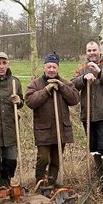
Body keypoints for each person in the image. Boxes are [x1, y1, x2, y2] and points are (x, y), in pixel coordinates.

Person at [71, 41, 103, 196]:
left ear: (99, 50)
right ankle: (99, 177)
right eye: (89, 50)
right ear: (86, 52)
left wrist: (100, 73)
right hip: (87, 115)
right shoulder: (81, 68)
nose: (92, 52)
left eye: (94, 50)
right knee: (93, 148)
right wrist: (83, 79)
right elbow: (72, 85)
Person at [25, 52, 80, 185]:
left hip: (61, 129)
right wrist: (46, 90)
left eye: (54, 67)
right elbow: (30, 102)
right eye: (49, 67)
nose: (51, 70)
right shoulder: (36, 84)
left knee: (56, 160)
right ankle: (40, 182)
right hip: (43, 129)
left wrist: (61, 87)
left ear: (58, 68)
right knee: (44, 158)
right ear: (44, 67)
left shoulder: (66, 83)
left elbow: (74, 99)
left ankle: (51, 183)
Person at [0, 52, 24, 186]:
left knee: (10, 163)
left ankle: (7, 186)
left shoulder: (15, 82)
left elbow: (21, 103)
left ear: (8, 64)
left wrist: (19, 101)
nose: (1, 66)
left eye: (4, 63)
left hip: (10, 130)